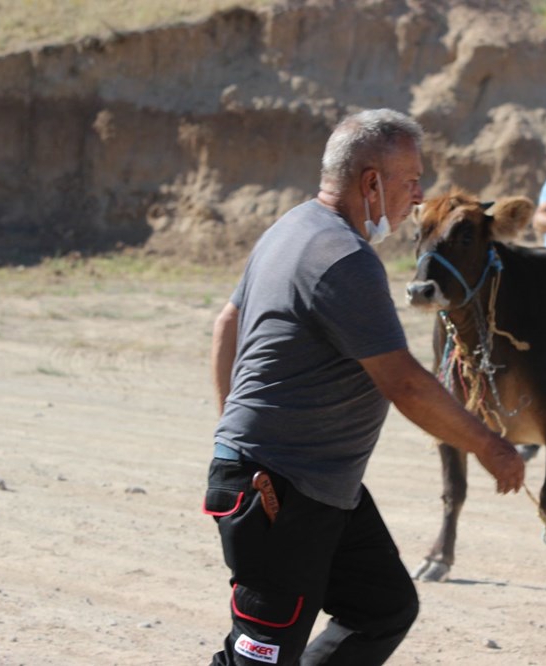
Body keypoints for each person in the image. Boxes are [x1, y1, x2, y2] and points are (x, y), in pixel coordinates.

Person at [206, 108, 525, 666]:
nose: (420, 194)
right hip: (279, 492)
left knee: (382, 607)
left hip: (322, 487)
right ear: (372, 183)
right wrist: (491, 446)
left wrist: (231, 431)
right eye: (411, 180)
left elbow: (225, 325)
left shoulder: (292, 227)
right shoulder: (344, 258)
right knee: (257, 659)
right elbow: (404, 382)